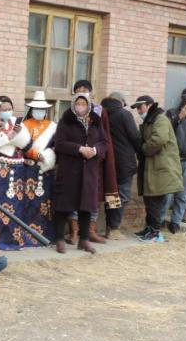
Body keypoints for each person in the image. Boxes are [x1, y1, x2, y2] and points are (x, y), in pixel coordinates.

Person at [0, 93, 55, 249]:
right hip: (0, 169)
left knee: (17, 206)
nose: (7, 111)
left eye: (9, 108)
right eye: (3, 109)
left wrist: (18, 136)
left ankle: (17, 238)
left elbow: (27, 145)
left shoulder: (18, 123)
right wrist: (8, 136)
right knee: (0, 205)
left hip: (19, 169)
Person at [67, 80, 120, 244]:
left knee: (93, 196)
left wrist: (96, 151)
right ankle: (74, 232)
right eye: (78, 90)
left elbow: (105, 135)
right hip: (75, 160)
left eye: (85, 90)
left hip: (94, 161)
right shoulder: (70, 112)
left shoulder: (99, 111)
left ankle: (90, 231)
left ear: (91, 93)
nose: (81, 93)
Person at [53, 93, 107, 254]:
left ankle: (84, 240)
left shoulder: (96, 121)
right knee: (63, 206)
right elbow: (59, 143)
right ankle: (59, 239)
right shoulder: (66, 121)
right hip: (69, 171)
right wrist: (79, 149)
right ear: (73, 104)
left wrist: (95, 150)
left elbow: (104, 142)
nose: (81, 106)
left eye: (84, 103)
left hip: (89, 171)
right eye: (78, 103)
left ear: (89, 105)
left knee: (86, 207)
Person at [132, 95, 183, 242]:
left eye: (140, 107)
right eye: (137, 108)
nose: (138, 111)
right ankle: (150, 229)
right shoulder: (150, 120)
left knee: (155, 201)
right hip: (154, 168)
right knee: (150, 200)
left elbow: (158, 140)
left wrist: (143, 149)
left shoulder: (160, 119)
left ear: (149, 105)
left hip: (162, 169)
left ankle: (156, 233)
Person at [101, 92, 141, 239]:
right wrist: (140, 152)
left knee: (111, 194)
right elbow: (135, 136)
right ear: (121, 102)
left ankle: (109, 227)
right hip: (124, 162)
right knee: (122, 195)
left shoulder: (101, 113)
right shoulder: (124, 114)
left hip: (107, 161)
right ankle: (114, 228)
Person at [163, 87, 186, 233]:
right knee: (168, 194)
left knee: (183, 194)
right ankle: (160, 220)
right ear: (181, 99)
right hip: (173, 159)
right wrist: (179, 117)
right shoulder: (171, 113)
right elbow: (165, 131)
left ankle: (175, 222)